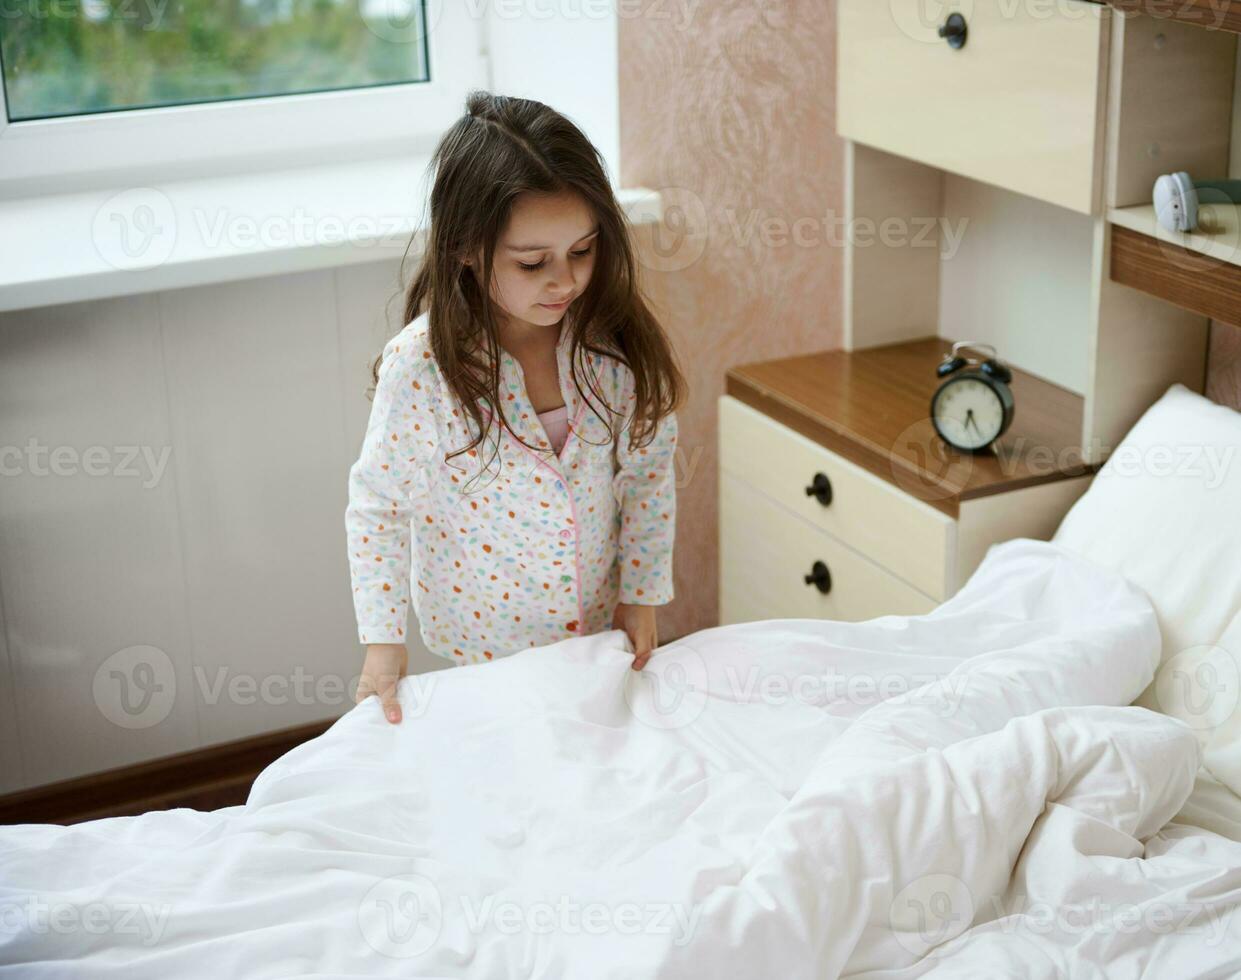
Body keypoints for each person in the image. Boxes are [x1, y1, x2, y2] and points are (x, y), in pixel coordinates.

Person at [345, 90, 685, 723]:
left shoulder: (610, 345)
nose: (565, 281)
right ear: (467, 250)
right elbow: (380, 508)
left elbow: (647, 474)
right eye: (533, 263)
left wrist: (640, 597)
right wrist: (383, 646)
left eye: (582, 251)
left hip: (595, 632)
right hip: (484, 653)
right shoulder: (423, 370)